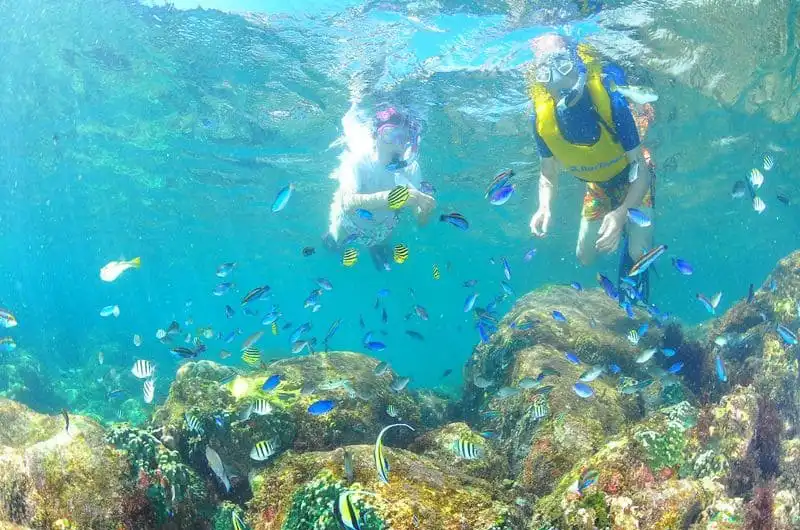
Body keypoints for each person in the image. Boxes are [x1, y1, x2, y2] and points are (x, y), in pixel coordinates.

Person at [526, 34, 657, 303]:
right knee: (584, 257)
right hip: (597, 184)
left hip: (633, 177)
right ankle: (620, 228)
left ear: (576, 63)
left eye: (562, 64)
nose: (556, 78)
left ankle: (636, 295)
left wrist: (621, 214)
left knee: (637, 254)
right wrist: (544, 207)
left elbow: (640, 170)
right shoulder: (540, 120)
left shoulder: (612, 104)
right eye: (544, 71)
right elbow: (548, 174)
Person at [326, 104, 436, 270]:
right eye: (390, 135)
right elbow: (348, 202)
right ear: (376, 135)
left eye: (405, 138)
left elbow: (420, 220)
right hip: (348, 226)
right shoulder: (358, 161)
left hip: (383, 231)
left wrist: (425, 211)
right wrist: (397, 197)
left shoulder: (411, 168)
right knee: (331, 246)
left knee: (380, 250)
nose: (398, 145)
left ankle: (374, 248)